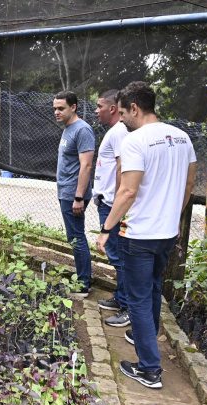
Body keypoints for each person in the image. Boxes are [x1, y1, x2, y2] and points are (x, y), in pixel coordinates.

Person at [98, 82, 196, 389]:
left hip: (139, 234)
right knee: (153, 289)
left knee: (138, 300)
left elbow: (127, 190)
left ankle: (149, 368)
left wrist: (106, 229)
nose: (122, 118)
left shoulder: (135, 141)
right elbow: (189, 185)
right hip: (166, 233)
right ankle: (147, 336)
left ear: (135, 109)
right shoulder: (183, 138)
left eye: (124, 112)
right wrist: (173, 216)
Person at [92, 90, 130, 326]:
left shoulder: (120, 132)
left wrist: (117, 204)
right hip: (107, 202)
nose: (96, 110)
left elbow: (121, 169)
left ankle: (127, 305)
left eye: (99, 106)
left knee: (119, 256)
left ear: (113, 108)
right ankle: (120, 297)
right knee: (116, 255)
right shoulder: (115, 132)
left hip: (111, 205)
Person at [53, 90, 95, 296]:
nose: (56, 112)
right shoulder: (68, 128)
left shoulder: (82, 130)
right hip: (66, 191)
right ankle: (83, 277)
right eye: (55, 109)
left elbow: (86, 166)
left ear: (73, 107)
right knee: (74, 237)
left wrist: (79, 197)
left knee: (77, 237)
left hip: (73, 194)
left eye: (61, 108)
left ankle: (83, 284)